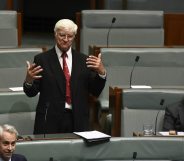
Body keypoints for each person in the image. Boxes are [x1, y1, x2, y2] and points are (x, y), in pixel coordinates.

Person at [23, 19, 106, 134]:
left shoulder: (83, 60)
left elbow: (95, 90)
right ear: (55, 34)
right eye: (62, 35)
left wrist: (101, 73)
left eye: (70, 36)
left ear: (74, 37)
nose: (66, 40)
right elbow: (31, 92)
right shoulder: (42, 59)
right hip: (49, 120)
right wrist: (29, 80)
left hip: (78, 120)